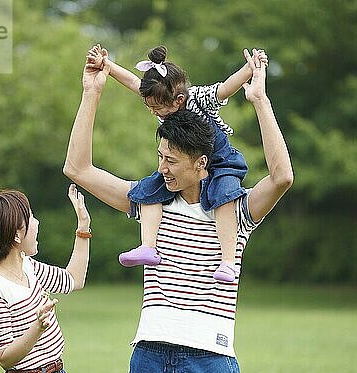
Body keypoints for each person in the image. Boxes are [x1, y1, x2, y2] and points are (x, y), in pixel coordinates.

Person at [64, 48, 293, 373]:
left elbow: (281, 178)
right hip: (149, 358)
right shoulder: (150, 201)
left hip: (211, 362)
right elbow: (78, 169)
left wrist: (259, 100)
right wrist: (92, 92)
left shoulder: (234, 211)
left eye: (171, 161)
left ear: (202, 163)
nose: (162, 169)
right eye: (160, 157)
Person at [86, 44, 268, 282]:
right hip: (185, 164)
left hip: (221, 161)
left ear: (179, 99)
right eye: (149, 108)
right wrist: (108, 67)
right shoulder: (160, 98)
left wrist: (249, 69)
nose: (154, 113)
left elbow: (225, 88)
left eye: (158, 108)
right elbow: (134, 82)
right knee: (149, 190)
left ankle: (228, 262)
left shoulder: (198, 98)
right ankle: (148, 247)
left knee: (225, 197)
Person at [0, 184, 91, 373]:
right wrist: (38, 327)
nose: (37, 223)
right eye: (31, 218)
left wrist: (83, 226)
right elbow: (5, 357)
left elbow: (74, 279)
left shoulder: (29, 267)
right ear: (16, 235)